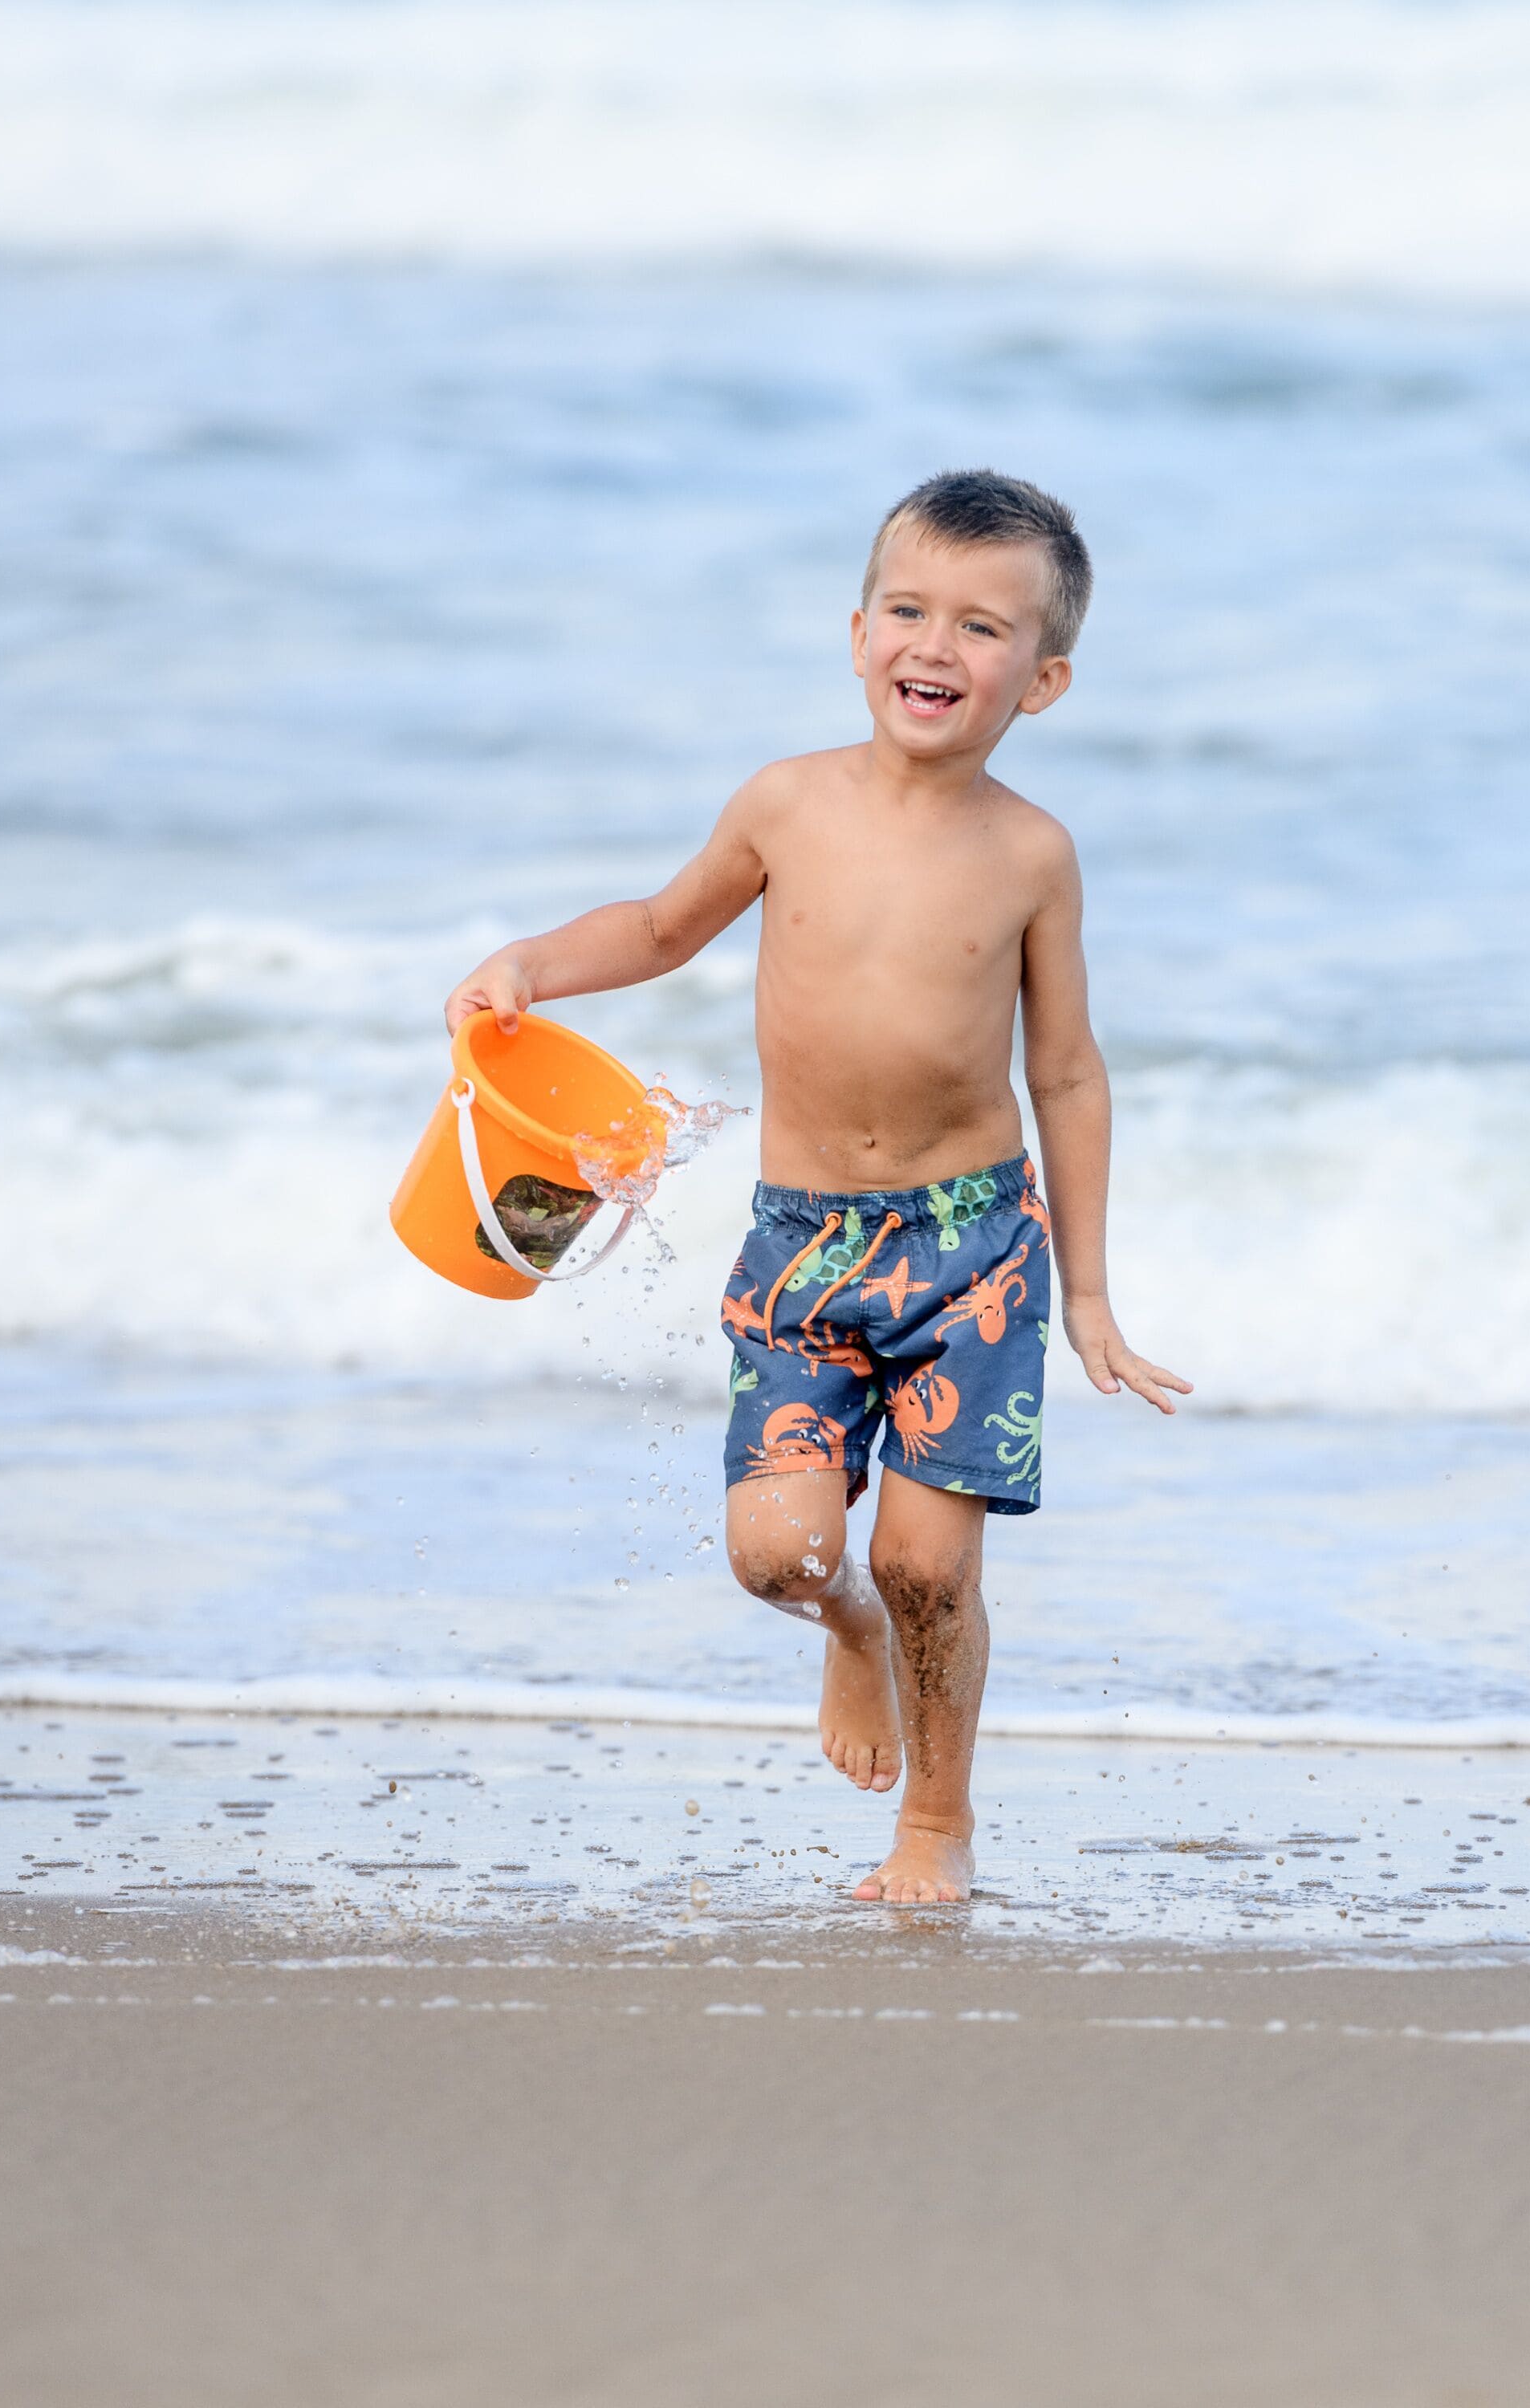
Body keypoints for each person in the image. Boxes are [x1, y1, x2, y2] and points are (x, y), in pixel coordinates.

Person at [446, 468, 1190, 1903]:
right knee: (777, 1554)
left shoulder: (1033, 854)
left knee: (931, 1566)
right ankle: (848, 1636)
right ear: (856, 633)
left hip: (973, 1249)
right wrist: (533, 962)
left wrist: (1086, 1291)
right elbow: (662, 928)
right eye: (909, 610)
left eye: (982, 628)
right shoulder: (784, 806)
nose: (936, 644)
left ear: (1042, 682)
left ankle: (937, 1824)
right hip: (802, 1248)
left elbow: (1073, 1076)